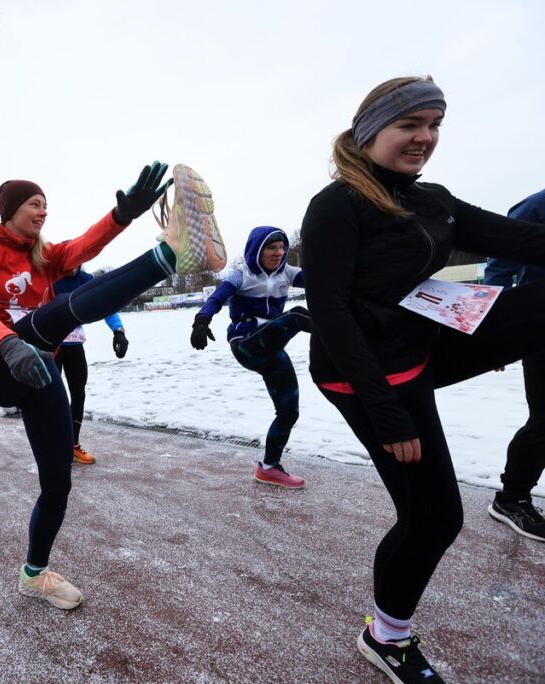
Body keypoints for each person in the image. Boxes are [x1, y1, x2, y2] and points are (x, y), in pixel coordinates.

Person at [300, 77, 545, 683]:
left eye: (434, 125)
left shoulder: (433, 199)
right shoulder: (337, 206)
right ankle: (387, 638)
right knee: (434, 518)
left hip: (424, 342)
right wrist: (387, 412)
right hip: (364, 375)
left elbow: (527, 239)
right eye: (410, 124)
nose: (425, 138)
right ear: (371, 131)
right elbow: (330, 314)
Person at [0, 161, 217, 610]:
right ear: (10, 209)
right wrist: (6, 344)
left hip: (41, 370)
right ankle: (171, 254)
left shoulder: (46, 254)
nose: (42, 212)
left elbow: (84, 247)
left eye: (46, 205)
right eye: (34, 204)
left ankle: (33, 575)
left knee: (58, 483)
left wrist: (124, 216)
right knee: (57, 314)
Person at [190, 227, 310, 488]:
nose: (278, 253)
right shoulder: (241, 274)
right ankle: (352, 338)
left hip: (273, 349)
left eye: (281, 247)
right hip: (247, 345)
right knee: (297, 316)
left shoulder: (286, 273)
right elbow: (218, 296)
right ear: (258, 249)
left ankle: (269, 468)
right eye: (271, 248)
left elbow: (325, 279)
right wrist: (201, 319)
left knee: (289, 412)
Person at [482, 188, 545, 542]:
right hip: (539, 326)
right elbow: (500, 266)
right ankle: (512, 498)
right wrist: (496, 334)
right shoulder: (537, 206)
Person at [52, 267, 128, 465]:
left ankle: (72, 445)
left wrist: (118, 330)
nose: (72, 267)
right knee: (52, 398)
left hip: (75, 345)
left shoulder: (86, 279)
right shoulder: (50, 275)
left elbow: (106, 302)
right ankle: (52, 446)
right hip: (51, 347)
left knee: (78, 395)